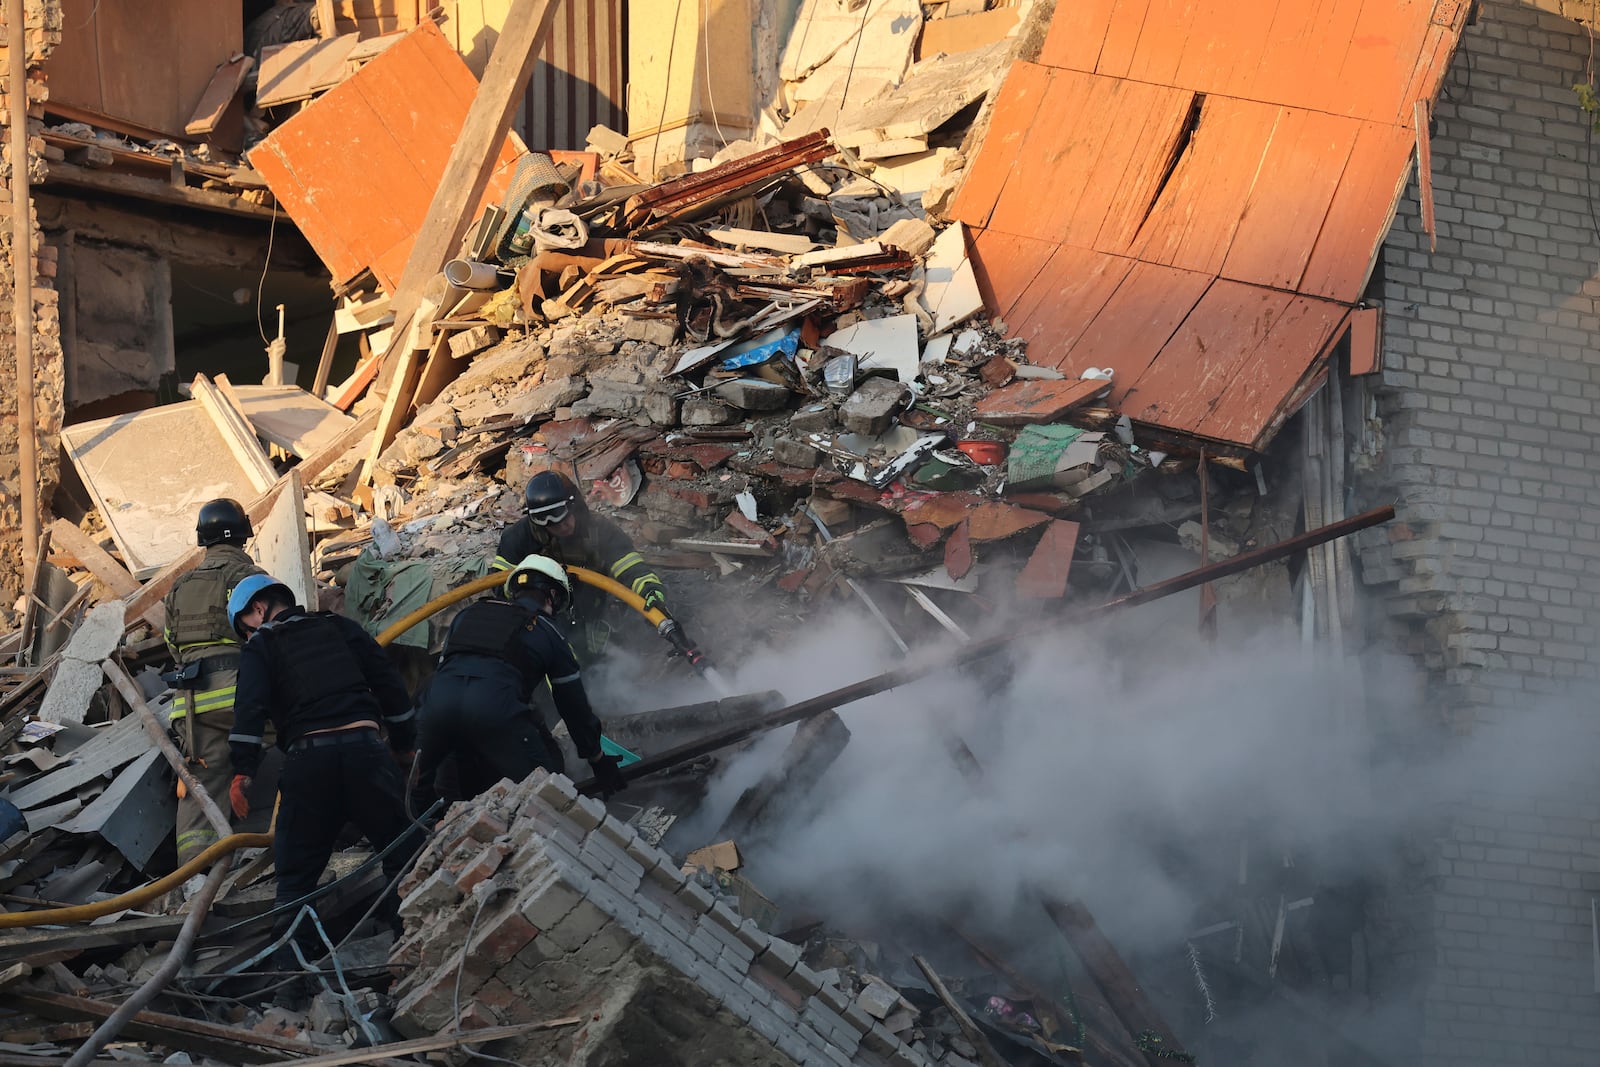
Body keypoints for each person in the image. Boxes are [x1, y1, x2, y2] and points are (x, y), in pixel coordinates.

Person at [226, 574, 421, 943]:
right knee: (403, 855)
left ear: (258, 609)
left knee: (295, 882)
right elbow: (391, 688)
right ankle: (417, 947)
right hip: (367, 755)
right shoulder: (342, 628)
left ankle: (292, 981)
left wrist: (242, 772)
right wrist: (403, 747)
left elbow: (248, 711)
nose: (248, 638)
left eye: (246, 629)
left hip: (310, 765)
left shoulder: (261, 646)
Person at [412, 555, 627, 808]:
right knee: (548, 793)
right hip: (495, 710)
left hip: (435, 710)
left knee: (430, 798)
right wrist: (597, 758)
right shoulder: (547, 630)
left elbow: (448, 671)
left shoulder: (469, 614)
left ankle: (431, 836)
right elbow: (573, 705)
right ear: (552, 597)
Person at [162, 498, 264, 865]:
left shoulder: (180, 585)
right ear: (243, 535)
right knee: (280, 751)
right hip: (242, 692)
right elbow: (271, 635)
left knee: (201, 782)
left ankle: (194, 874)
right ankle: (265, 850)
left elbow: (172, 643)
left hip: (191, 702)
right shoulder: (247, 578)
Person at [493, 470, 670, 660]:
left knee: (603, 662)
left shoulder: (600, 530)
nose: (561, 527)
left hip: (593, 609)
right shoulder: (518, 537)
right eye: (551, 523)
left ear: (575, 505)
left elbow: (630, 567)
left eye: (563, 517)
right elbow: (497, 583)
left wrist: (649, 590)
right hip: (543, 616)